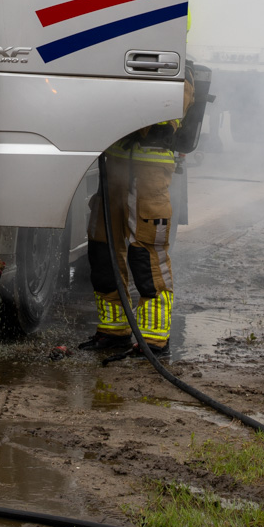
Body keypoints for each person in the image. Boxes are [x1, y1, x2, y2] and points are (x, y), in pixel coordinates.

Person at [81, 85, 194, 363]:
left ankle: (154, 338)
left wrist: (134, 120)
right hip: (113, 170)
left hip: (149, 175)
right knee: (101, 250)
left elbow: (169, 112)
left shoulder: (178, 72)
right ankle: (114, 329)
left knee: (146, 254)